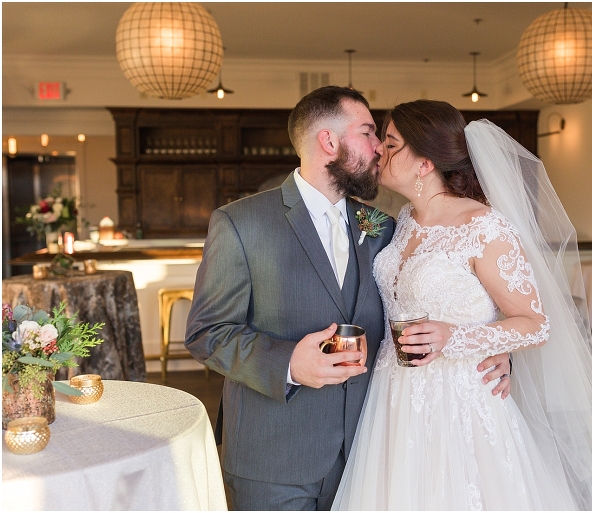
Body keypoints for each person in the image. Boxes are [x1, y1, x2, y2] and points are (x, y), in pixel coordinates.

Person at [185, 86, 512, 511]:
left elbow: (448, 298)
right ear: (329, 142)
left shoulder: (387, 228)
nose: (380, 148)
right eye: (368, 132)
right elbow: (207, 332)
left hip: (370, 452)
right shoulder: (241, 223)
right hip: (275, 458)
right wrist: (288, 364)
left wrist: (493, 346)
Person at [332, 100, 592, 510]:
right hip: (392, 398)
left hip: (459, 404)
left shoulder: (484, 226)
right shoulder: (403, 219)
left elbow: (535, 323)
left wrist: (456, 337)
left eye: (390, 144)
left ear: (424, 162)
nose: (378, 152)